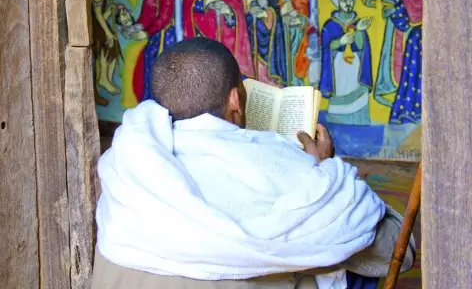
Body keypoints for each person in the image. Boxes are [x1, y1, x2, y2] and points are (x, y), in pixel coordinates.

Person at [92, 37, 415, 289]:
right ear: (235, 99)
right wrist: (324, 170)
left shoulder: (127, 160)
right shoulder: (289, 164)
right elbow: (397, 249)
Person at [320, 0, 373, 125]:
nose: (348, 2)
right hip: (338, 68)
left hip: (355, 67)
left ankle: (358, 121)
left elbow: (362, 47)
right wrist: (340, 42)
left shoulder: (358, 22)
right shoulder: (330, 25)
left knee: (356, 97)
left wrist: (359, 31)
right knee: (340, 96)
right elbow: (326, 48)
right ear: (337, 1)